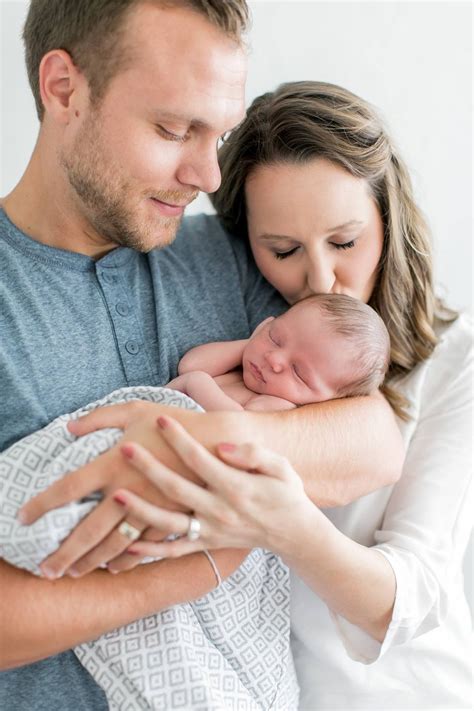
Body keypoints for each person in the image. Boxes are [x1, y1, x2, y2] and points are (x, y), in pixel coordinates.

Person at [0, 2, 403, 709]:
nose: (208, 175)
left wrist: (203, 440)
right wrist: (198, 562)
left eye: (216, 133)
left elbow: (370, 437)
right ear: (63, 87)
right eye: (174, 128)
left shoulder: (229, 255)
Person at [45, 81, 471, 710]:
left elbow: (411, 598)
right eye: (283, 250)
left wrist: (281, 521)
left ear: (389, 218)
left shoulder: (453, 358)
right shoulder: (250, 326)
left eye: (346, 241)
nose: (320, 278)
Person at [168, 293, 390, 411]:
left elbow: (238, 425)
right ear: (266, 324)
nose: (274, 359)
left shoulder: (278, 406)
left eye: (298, 372)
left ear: (325, 401)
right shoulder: (240, 368)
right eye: (275, 338)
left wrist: (197, 383)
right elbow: (189, 366)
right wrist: (252, 341)